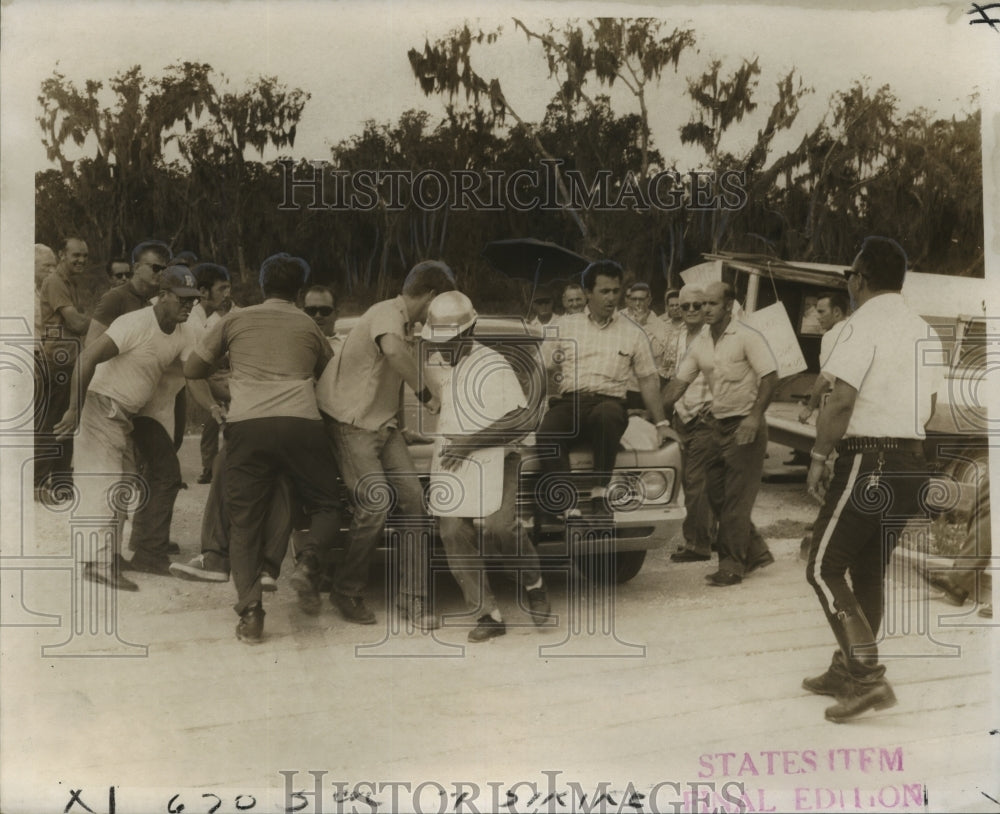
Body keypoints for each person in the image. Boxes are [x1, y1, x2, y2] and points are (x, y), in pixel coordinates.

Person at [802, 237, 945, 723]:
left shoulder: (860, 325)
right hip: (910, 463)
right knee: (866, 571)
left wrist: (819, 455)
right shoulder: (925, 330)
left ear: (858, 279)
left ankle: (866, 677)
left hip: (870, 460)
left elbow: (840, 401)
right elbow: (927, 409)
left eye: (850, 276)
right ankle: (848, 668)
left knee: (822, 566)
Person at [185, 253, 345, 643]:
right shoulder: (308, 324)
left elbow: (192, 369)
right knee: (327, 503)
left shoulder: (234, 320)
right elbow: (326, 373)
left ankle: (252, 615)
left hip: (248, 426)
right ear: (299, 291)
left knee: (244, 520)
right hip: (300, 424)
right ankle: (307, 563)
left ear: (260, 285)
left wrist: (230, 379)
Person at [315, 260, 456, 629]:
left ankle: (413, 599)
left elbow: (388, 378)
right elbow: (394, 354)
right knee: (375, 504)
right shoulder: (385, 314)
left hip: (384, 427)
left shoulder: (408, 327)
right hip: (350, 424)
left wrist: (403, 427)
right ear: (431, 296)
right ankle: (346, 590)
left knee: (415, 504)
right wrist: (429, 397)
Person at [53, 266, 203, 591]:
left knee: (120, 487)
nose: (188, 306)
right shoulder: (134, 323)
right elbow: (86, 360)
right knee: (106, 485)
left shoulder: (183, 332)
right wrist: (74, 409)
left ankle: (109, 559)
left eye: (193, 300)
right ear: (162, 296)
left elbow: (196, 371)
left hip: (124, 416)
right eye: (182, 299)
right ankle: (97, 564)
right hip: (99, 406)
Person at [422, 292, 552, 642]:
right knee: (451, 531)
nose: (443, 348)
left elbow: (521, 420)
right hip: (455, 458)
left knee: (499, 527)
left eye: (450, 341)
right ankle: (487, 613)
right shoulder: (437, 362)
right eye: (438, 342)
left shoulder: (493, 365)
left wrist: (469, 442)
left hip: (497, 454)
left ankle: (534, 584)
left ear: (470, 331)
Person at [662, 281, 777, 586]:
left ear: (728, 306)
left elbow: (770, 377)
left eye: (712, 304)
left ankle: (731, 565)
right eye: (702, 305)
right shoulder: (701, 342)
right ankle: (756, 551)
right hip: (717, 424)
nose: (705, 310)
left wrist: (754, 417)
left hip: (745, 426)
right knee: (715, 493)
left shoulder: (747, 337)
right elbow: (678, 384)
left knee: (736, 499)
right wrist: (652, 414)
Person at [537, 260, 671, 516]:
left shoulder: (633, 333)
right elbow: (543, 368)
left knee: (606, 416)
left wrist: (662, 424)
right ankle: (567, 504)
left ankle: (600, 492)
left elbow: (648, 379)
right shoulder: (565, 326)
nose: (612, 298)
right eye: (604, 291)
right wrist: (534, 405)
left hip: (610, 403)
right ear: (588, 293)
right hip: (571, 402)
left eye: (616, 291)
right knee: (547, 432)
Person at [34, 237, 91, 497]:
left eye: (84, 256)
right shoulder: (56, 282)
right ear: (62, 255)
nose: (80, 260)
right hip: (58, 362)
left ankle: (60, 483)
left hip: (69, 361)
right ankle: (37, 483)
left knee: (67, 422)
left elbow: (78, 324)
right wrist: (104, 323)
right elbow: (77, 324)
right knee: (53, 422)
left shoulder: (70, 282)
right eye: (75, 255)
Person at [667, 285, 717, 563]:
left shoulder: (715, 338)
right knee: (692, 481)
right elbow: (672, 376)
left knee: (697, 481)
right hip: (681, 415)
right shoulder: (677, 338)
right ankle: (710, 535)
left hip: (707, 416)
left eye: (697, 305)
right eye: (685, 306)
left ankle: (698, 544)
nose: (691, 311)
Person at [188, 263, 234, 484]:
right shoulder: (191, 319)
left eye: (228, 288)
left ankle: (222, 469)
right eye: (221, 288)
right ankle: (210, 468)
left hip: (213, 377)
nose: (227, 294)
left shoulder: (220, 316)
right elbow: (194, 370)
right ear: (203, 292)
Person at [85, 240, 171, 347]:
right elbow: (90, 344)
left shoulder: (147, 302)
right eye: (156, 268)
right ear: (136, 268)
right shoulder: (115, 298)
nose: (161, 273)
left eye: (164, 269)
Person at [798, 291, 850, 424]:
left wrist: (809, 408)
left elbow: (825, 378)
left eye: (821, 312)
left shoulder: (832, 336)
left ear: (837, 312)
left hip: (837, 400)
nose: (817, 317)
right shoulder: (855, 328)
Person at [622, 281, 670, 412]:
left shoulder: (661, 326)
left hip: (646, 389)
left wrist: (642, 327)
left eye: (641, 299)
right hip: (623, 386)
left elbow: (656, 353)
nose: (637, 304)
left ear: (649, 300)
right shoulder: (621, 320)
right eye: (634, 299)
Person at [659, 288, 685, 380]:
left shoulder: (688, 326)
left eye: (678, 305)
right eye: (672, 305)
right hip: (663, 373)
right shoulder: (663, 325)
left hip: (681, 373)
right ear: (668, 308)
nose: (675, 308)